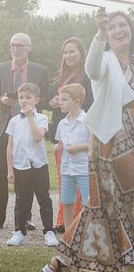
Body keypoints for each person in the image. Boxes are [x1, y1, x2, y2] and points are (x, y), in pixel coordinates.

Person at [44, 10, 134, 272]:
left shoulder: (131, 64)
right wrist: (98, 32)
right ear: (107, 35)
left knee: (105, 204)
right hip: (111, 140)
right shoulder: (104, 60)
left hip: (130, 136)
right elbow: (91, 68)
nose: (119, 30)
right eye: (113, 27)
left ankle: (61, 262)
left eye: (123, 25)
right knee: (112, 202)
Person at [0, 33, 48, 232]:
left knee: (27, 173)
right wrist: (2, 101)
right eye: (12, 45)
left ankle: (26, 217)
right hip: (5, 127)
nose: (15, 48)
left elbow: (45, 97)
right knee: (1, 172)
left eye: (20, 45)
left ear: (29, 48)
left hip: (29, 130)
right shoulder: (1, 68)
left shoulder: (40, 71)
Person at [45, 37, 93, 232]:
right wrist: (52, 102)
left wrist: (73, 103)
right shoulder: (60, 77)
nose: (68, 55)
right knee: (64, 176)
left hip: (81, 131)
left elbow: (90, 102)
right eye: (65, 52)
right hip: (62, 130)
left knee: (81, 178)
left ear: (82, 53)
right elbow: (45, 99)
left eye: (72, 51)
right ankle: (64, 221)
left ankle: (81, 222)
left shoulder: (88, 76)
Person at [5, 83, 57, 247]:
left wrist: (29, 117)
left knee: (44, 198)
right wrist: (9, 169)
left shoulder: (41, 118)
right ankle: (19, 232)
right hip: (20, 166)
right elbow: (10, 146)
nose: (24, 101)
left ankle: (49, 231)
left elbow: (37, 137)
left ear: (36, 100)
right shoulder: (13, 121)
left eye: (28, 97)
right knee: (21, 200)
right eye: (21, 97)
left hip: (39, 165)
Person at [53, 83, 90, 229]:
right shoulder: (62, 123)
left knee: (88, 203)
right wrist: (57, 146)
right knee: (67, 201)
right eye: (60, 99)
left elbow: (97, 145)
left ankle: (88, 232)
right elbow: (61, 142)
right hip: (67, 169)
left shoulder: (88, 121)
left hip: (84, 169)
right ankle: (69, 234)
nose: (60, 103)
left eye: (64, 100)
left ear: (77, 101)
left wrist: (78, 148)